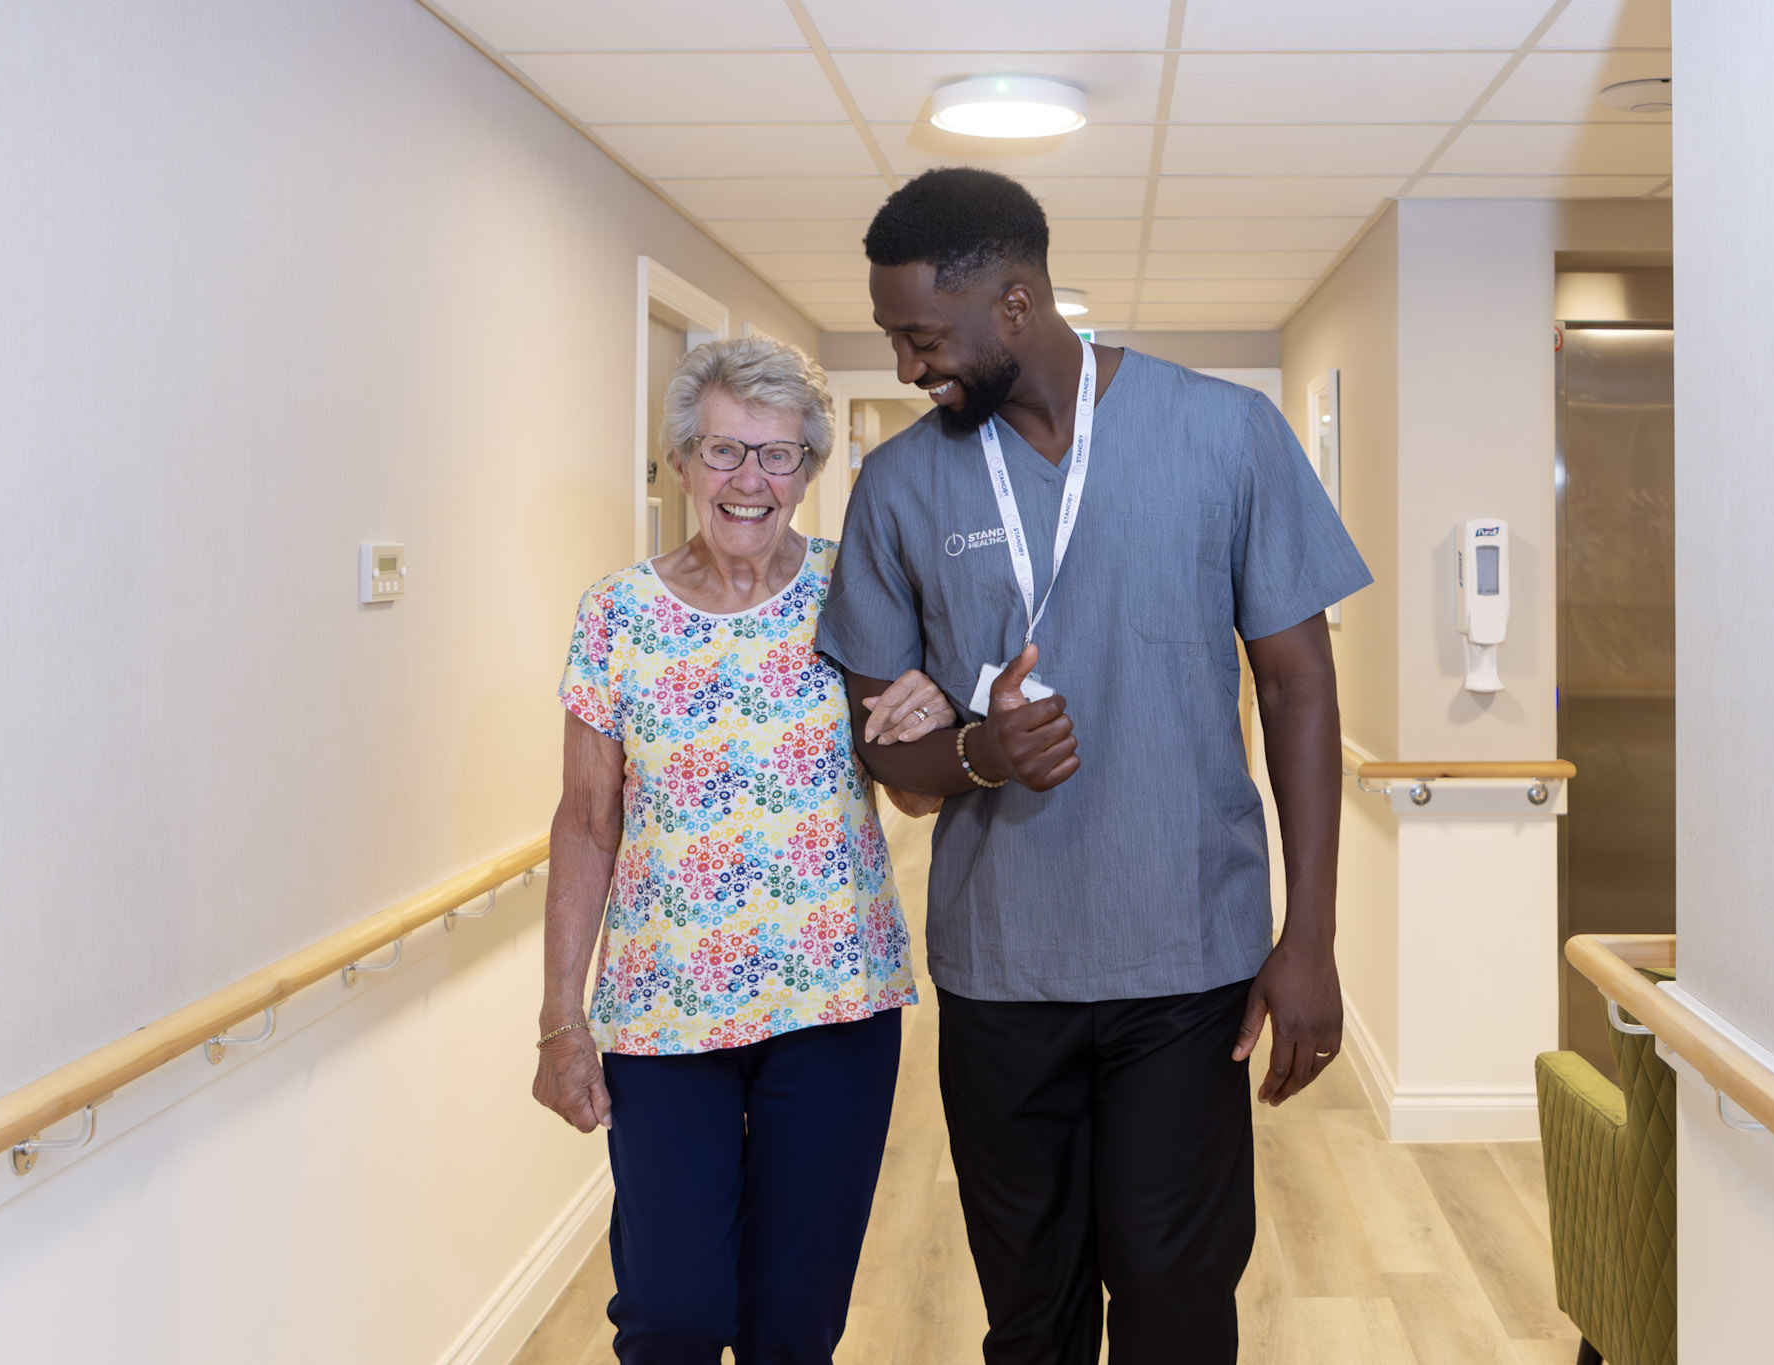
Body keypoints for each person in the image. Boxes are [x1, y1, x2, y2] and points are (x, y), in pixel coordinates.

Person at [821, 168, 1373, 1363]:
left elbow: (1297, 685)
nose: (910, 369)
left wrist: (1311, 936)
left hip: (1184, 962)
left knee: (1177, 1300)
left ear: (1014, 304)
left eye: (922, 338)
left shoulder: (1224, 433)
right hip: (998, 970)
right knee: (1032, 1315)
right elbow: (892, 754)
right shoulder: (897, 485)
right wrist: (977, 752)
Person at [531, 334, 954, 1363]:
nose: (749, 481)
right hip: (664, 1016)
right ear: (680, 461)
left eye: (777, 456)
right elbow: (587, 822)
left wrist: (921, 722)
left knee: (790, 1325)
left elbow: (908, 799)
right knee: (671, 1316)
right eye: (723, 452)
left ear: (809, 470)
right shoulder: (616, 615)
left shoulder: (853, 591)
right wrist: (559, 1019)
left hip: (831, 1007)